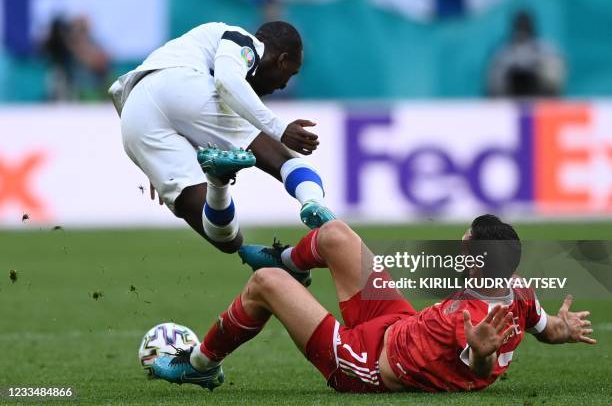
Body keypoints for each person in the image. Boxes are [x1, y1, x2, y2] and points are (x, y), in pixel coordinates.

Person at [151, 215, 596, 392]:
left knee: (265, 284)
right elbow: (545, 328)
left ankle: (199, 363)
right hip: (399, 325)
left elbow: (480, 369)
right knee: (335, 234)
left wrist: (482, 353)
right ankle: (293, 263)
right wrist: (565, 328)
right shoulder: (517, 289)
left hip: (367, 361)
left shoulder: (475, 322)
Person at [109, 21, 334, 259]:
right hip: (181, 84)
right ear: (281, 59)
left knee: (226, 238)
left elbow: (139, 97)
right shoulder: (245, 42)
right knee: (282, 158)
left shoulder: (191, 47)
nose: (285, 85)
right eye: (291, 73)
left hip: (133, 112)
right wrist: (280, 129)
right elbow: (227, 81)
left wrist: (150, 155)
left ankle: (218, 181)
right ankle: (313, 202)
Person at [486, 10, 565, 97]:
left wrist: (535, 71)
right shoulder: (503, 53)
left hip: (541, 98)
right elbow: (493, 85)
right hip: (508, 100)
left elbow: (555, 81)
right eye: (520, 26)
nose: (522, 31)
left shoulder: (546, 51)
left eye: (525, 26)